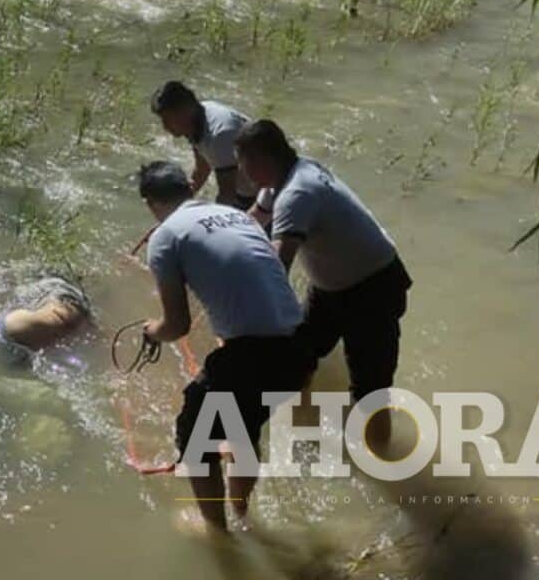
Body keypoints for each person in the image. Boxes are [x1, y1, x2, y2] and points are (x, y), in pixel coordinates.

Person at [136, 161, 316, 532]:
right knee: (241, 426)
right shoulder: (237, 216)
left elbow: (177, 326)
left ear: (150, 203)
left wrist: (152, 332)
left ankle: (218, 532)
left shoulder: (165, 237)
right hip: (301, 350)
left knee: (196, 440)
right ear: (189, 188)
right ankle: (241, 510)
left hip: (254, 354)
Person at [234, 120, 413, 453]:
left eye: (243, 163)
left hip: (373, 288)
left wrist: (243, 318)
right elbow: (252, 219)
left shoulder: (296, 193)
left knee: (371, 391)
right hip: (329, 289)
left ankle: (379, 461)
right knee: (298, 357)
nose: (241, 172)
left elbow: (275, 271)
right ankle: (302, 424)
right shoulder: (283, 177)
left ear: (261, 159)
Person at [150, 81, 257, 210]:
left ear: (185, 110)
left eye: (168, 119)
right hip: (246, 190)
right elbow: (202, 169)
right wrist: (178, 207)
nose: (165, 127)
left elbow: (227, 194)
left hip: (265, 193)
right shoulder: (197, 118)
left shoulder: (219, 135)